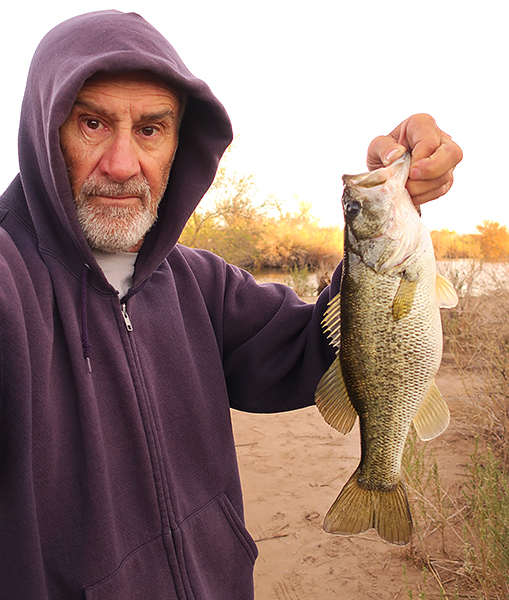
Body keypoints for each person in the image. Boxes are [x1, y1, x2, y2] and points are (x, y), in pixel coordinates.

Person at [0, 10, 462, 600]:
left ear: (178, 143)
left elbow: (320, 349)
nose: (121, 164)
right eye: (91, 124)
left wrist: (396, 206)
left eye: (150, 129)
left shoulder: (203, 285)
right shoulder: (11, 289)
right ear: (44, 131)